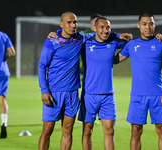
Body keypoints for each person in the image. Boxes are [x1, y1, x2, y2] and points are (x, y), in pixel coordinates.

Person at [38, 11, 132, 150]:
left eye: (74, 22)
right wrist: (44, 91)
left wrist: (118, 35)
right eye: (69, 22)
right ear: (61, 24)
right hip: (54, 93)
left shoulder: (80, 38)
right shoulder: (52, 41)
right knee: (47, 130)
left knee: (68, 130)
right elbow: (41, 66)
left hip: (72, 93)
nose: (72, 25)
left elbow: (101, 34)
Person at [114, 12, 162, 150]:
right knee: (135, 131)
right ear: (138, 25)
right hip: (137, 95)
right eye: (144, 24)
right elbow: (115, 60)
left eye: (151, 24)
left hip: (158, 94)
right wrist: (104, 45)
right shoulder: (131, 44)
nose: (148, 27)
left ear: (154, 25)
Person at [78, 17, 127, 150]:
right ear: (94, 28)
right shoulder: (84, 43)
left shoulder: (113, 43)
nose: (105, 30)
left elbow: (134, 44)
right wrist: (54, 34)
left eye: (108, 28)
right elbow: (68, 37)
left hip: (108, 96)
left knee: (110, 131)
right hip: (89, 95)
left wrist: (154, 36)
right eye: (102, 27)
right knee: (87, 131)